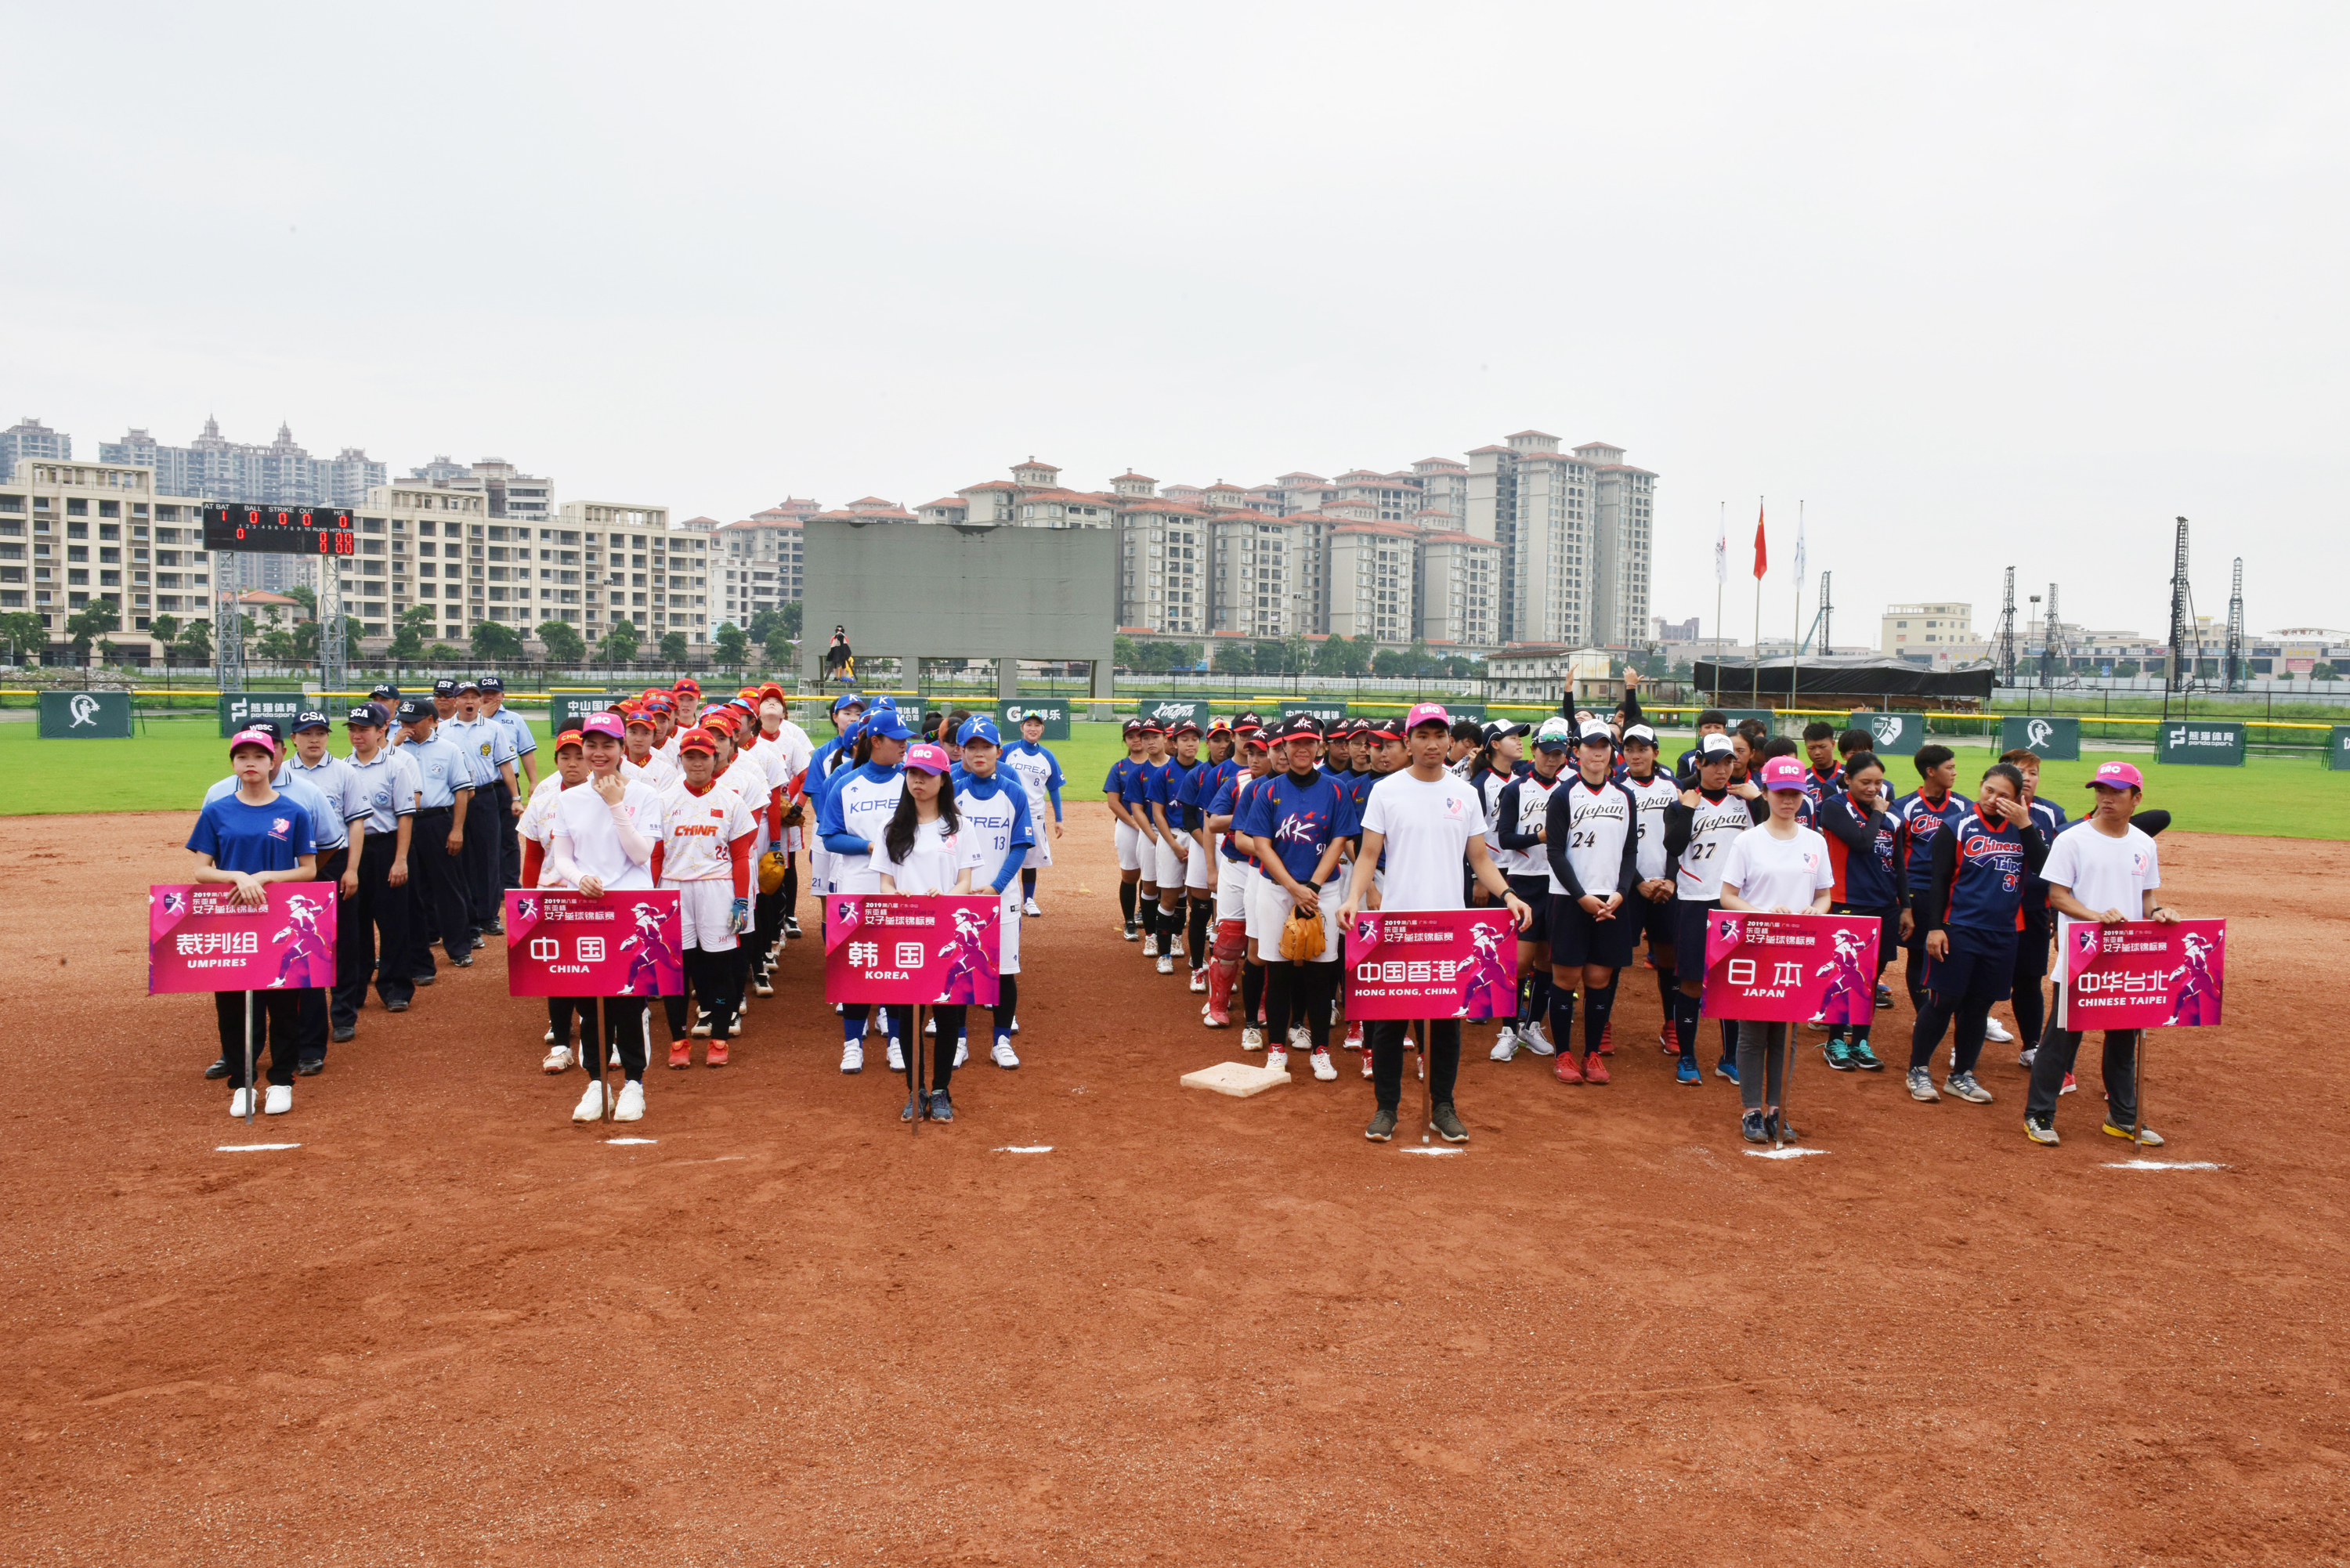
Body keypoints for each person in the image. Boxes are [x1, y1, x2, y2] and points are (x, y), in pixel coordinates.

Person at [1340, 703, 1531, 1144]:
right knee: (1390, 1023)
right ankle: (1386, 1108)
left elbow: (1480, 858)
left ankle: (1443, 1107)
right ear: (1408, 742)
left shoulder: (1464, 793)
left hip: (1450, 925)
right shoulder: (1386, 791)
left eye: (1439, 735)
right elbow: (1368, 854)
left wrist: (1508, 895)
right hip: (1397, 924)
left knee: (1448, 1021)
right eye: (1422, 735)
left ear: (1449, 741)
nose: (1432, 744)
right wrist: (1353, 899)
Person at [2024, 762, 2178, 1147]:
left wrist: (2159, 913)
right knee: (2061, 1039)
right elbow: (2058, 896)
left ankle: (2123, 1117)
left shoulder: (2144, 843)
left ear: (2136, 798)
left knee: (2124, 1040)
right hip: (2084, 954)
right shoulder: (2072, 839)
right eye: (2101, 790)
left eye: (2116, 792)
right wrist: (2096, 916)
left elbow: (2146, 897)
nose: (2106, 798)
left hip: (2126, 959)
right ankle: (2038, 1114)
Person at [188, 728, 319, 1117]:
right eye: (242, 756)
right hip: (232, 920)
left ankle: (281, 1080)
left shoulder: (294, 811)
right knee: (233, 1006)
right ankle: (241, 1083)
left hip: (277, 917)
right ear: (233, 763)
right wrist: (238, 877)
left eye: (259, 756)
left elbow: (309, 870)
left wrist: (265, 876)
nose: (251, 763)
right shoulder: (216, 811)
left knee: (283, 1003)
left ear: (272, 761)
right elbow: (201, 870)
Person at [545, 714, 665, 1123]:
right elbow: (562, 857)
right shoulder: (569, 799)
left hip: (631, 909)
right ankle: (597, 1082)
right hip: (587, 908)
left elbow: (641, 854)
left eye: (607, 745)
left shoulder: (644, 794)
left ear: (621, 749)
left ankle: (633, 1083)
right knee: (589, 1001)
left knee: (629, 1002)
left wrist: (615, 804)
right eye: (591, 746)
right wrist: (579, 878)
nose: (598, 754)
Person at [1907, 761, 2047, 1108]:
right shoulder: (1957, 825)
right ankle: (1918, 1069)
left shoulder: (2024, 828)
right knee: (1943, 1000)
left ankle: (1962, 1075)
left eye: (2004, 795)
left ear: (2018, 799)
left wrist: (2025, 824)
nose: (1993, 799)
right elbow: (1939, 880)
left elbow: (2045, 868)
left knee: (1979, 1006)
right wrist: (1935, 928)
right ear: (1981, 785)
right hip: (1959, 928)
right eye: (1989, 790)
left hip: (2003, 932)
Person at [1716, 757, 1835, 1143]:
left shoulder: (1815, 841)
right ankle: (1752, 1110)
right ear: (1765, 793)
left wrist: (1815, 911)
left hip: (1798, 950)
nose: (1788, 801)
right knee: (1753, 1033)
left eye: (1795, 794)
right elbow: (1728, 896)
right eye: (1781, 793)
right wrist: (1763, 913)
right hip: (1756, 947)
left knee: (1787, 1035)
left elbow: (1824, 896)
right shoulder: (1748, 841)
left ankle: (1777, 1109)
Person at [1231, 716, 1347, 1079]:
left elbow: (1338, 841)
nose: (1302, 749)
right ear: (1283, 747)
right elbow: (1262, 845)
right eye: (1295, 742)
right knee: (1278, 970)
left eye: (1309, 742)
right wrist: (1294, 888)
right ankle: (1277, 1048)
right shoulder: (1268, 790)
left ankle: (1321, 1050)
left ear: (1319, 746)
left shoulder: (1336, 789)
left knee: (1321, 973)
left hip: (1323, 890)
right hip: (1276, 888)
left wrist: (1312, 886)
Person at [874, 742, 983, 1120]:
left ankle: (941, 1091)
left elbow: (966, 881)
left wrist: (947, 897)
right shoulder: (892, 828)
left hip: (947, 932)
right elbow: (885, 884)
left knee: (949, 1014)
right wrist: (898, 895)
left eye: (927, 775)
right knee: (907, 1016)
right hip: (904, 931)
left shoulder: (960, 827)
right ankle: (915, 1090)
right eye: (912, 774)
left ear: (943, 780)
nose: (918, 781)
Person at [1542, 720, 1643, 1085]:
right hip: (1570, 897)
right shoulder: (1563, 795)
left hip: (1611, 898)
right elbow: (1555, 852)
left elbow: (1630, 851)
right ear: (1577, 751)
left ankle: (1592, 1053)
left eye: (1604, 746)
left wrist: (1622, 892)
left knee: (1600, 978)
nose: (1597, 752)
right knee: (1566, 976)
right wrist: (1581, 896)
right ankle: (1564, 1053)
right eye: (1590, 745)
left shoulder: (1624, 796)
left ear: (1611, 752)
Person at [652, 728, 760, 1069]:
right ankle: (678, 1040)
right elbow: (655, 856)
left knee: (720, 967)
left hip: (717, 888)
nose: (697, 763)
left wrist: (741, 901)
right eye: (690, 756)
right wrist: (652, 897)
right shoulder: (664, 800)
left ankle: (719, 1038)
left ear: (716, 758)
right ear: (680, 759)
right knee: (676, 968)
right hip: (673, 889)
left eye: (704, 756)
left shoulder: (730, 801)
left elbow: (741, 856)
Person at [1661, 734, 1763, 1086]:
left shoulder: (1746, 801)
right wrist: (1688, 809)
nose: (1722, 770)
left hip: (1735, 902)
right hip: (1694, 900)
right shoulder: (1681, 802)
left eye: (1728, 762)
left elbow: (1772, 838)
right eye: (1714, 762)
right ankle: (1687, 1057)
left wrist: (1759, 799)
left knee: (1730, 983)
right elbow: (1673, 846)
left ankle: (1730, 1058)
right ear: (1699, 764)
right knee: (1691, 981)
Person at [816, 707, 913, 1072]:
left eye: (906, 740)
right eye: (897, 740)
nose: (904, 746)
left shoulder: (909, 782)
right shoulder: (846, 783)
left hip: (902, 887)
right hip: (856, 885)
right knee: (856, 967)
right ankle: (853, 1043)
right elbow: (830, 836)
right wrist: (870, 846)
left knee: (898, 966)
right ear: (875, 741)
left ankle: (897, 1042)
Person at [949, 717, 1035, 1068]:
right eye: (971, 747)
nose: (979, 753)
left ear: (999, 751)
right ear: (961, 752)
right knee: (959, 970)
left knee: (1003, 971)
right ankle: (958, 1040)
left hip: (1002, 895)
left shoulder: (1013, 792)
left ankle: (1001, 1041)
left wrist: (996, 886)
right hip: (960, 896)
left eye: (986, 746)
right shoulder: (952, 790)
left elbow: (1020, 845)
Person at [284, 710, 366, 1065]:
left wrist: (352, 869)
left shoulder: (345, 771)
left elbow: (356, 823)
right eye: (306, 733)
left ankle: (344, 1013)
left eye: (320, 733)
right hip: (295, 865)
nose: (314, 739)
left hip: (336, 860)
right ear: (293, 739)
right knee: (300, 940)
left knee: (344, 939)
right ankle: (301, 1016)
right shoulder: (281, 773)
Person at [1814, 750, 1902, 1072]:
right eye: (1866, 782)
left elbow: (1898, 864)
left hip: (1885, 905)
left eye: (1879, 783)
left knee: (1871, 978)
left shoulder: (1893, 816)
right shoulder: (1834, 807)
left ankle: (1861, 1041)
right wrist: (1878, 812)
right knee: (1845, 974)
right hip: (1848, 904)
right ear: (1848, 779)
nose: (1873, 789)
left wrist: (1905, 906)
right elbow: (1862, 843)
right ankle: (1835, 1041)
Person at [1489, 720, 1570, 1060]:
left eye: (1558, 754)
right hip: (1525, 880)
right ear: (1534, 750)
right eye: (1546, 752)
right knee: (1519, 962)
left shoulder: (1571, 788)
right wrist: (1540, 837)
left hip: (1561, 882)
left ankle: (1533, 1025)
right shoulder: (1516, 789)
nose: (1552, 759)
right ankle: (1509, 1029)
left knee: (1547, 960)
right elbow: (1505, 838)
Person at [336, 702, 418, 1031]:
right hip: (352, 851)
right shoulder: (342, 768)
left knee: (393, 920)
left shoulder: (395, 767)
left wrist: (400, 859)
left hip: (386, 846)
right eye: (353, 730)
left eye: (364, 729)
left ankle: (396, 988)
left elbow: (405, 816)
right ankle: (355, 987)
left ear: (382, 729)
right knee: (354, 922)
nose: (357, 735)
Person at [523, 730, 596, 1071]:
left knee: (595, 971)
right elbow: (533, 856)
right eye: (565, 757)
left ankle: (602, 1042)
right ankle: (562, 1044)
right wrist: (527, 899)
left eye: (579, 756)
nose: (573, 763)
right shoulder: (543, 800)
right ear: (556, 761)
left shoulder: (605, 797)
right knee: (557, 971)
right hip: (553, 896)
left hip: (593, 898)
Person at [394, 698, 475, 982]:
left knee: (448, 886)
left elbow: (462, 792)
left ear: (431, 720)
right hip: (402, 823)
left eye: (413, 721)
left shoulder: (448, 749)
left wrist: (457, 829)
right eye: (403, 721)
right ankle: (414, 944)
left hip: (436, 821)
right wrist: (393, 744)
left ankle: (460, 947)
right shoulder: (393, 749)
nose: (407, 726)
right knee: (408, 888)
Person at [1202, 720, 1273, 1035]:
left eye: (1261, 753)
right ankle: (1217, 1004)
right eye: (1251, 752)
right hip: (1237, 864)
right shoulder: (1238, 781)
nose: (1254, 759)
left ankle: (1261, 1004)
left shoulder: (1288, 786)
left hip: (1270, 868)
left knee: (1268, 940)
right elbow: (1214, 822)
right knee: (1230, 938)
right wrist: (1248, 816)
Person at [1890, 743, 1972, 1016]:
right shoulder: (1904, 807)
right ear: (1931, 771)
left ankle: (1952, 1009)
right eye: (1950, 767)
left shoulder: (1964, 806)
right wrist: (1903, 900)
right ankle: (1924, 1015)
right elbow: (1896, 855)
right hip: (1918, 889)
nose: (1955, 772)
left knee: (1954, 951)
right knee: (1918, 953)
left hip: (1953, 891)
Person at [1616, 724, 1683, 1051]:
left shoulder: (1672, 788)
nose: (1635, 755)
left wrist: (1670, 879)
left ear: (1655, 752)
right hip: (1628, 885)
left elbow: (1678, 841)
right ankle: (1604, 1024)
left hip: (1666, 884)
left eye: (1642, 749)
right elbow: (1615, 845)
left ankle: (1672, 1024)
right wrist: (1639, 883)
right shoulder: (1616, 787)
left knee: (1668, 957)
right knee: (1614, 956)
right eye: (1629, 749)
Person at [1001, 710, 1065, 916]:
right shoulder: (1008, 750)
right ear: (1022, 727)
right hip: (1007, 812)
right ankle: (1002, 897)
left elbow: (1054, 788)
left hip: (1034, 814)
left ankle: (1029, 900)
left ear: (1042, 729)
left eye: (1037, 725)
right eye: (1029, 724)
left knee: (1030, 859)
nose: (1033, 729)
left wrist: (1059, 819)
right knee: (1002, 855)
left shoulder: (1047, 756)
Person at [478, 674, 537, 898]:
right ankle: (487, 886)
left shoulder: (514, 719)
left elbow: (526, 752)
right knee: (483, 838)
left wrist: (533, 782)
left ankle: (509, 885)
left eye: (494, 693)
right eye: (485, 693)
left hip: (507, 786)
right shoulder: (470, 720)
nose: (489, 697)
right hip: (481, 787)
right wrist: (482, 716)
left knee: (509, 837)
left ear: (502, 695)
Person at [1104, 721, 1151, 941]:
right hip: (1128, 825)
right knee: (1130, 874)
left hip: (1155, 824)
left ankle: (1146, 914)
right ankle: (1129, 921)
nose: (1136, 739)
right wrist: (1134, 824)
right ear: (1125, 740)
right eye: (1130, 736)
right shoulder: (1119, 767)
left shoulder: (1158, 765)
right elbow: (1113, 802)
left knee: (1153, 874)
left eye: (1139, 735)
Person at [1674, 710, 1730, 784]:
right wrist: (1701, 773)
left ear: (1724, 732)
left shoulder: (1731, 757)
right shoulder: (1688, 757)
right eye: (1708, 727)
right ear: (1700, 731)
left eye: (1717, 727)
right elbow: (1679, 785)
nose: (1712, 731)